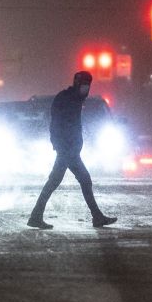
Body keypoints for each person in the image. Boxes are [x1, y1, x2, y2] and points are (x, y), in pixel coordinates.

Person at [28, 70, 117, 229]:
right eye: (84, 85)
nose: (86, 89)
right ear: (77, 84)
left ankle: (36, 216)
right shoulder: (66, 99)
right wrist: (60, 144)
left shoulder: (74, 99)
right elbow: (57, 123)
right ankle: (96, 217)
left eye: (88, 86)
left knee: (64, 181)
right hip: (67, 149)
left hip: (70, 149)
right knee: (77, 180)